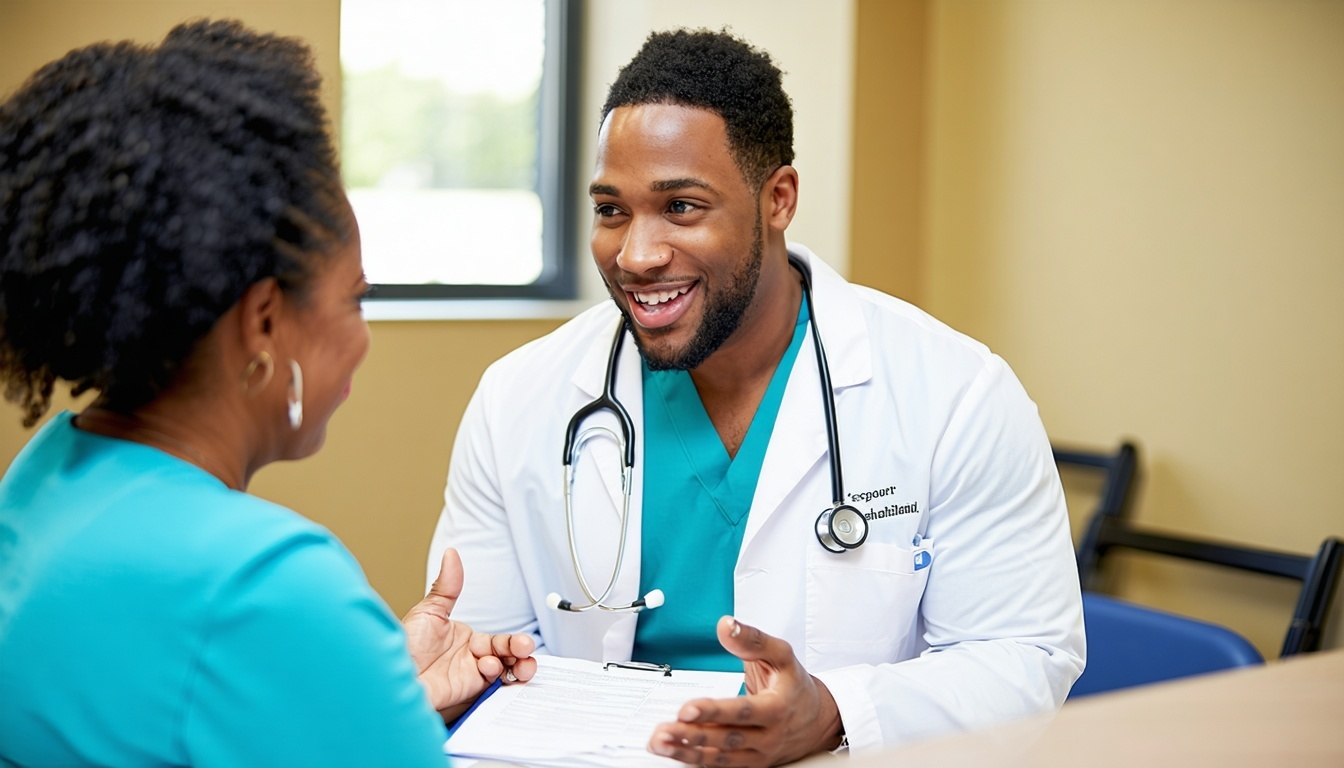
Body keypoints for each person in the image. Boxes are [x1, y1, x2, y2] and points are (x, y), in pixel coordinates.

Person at [428, 28, 1085, 765]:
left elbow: (1024, 657)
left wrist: (835, 713)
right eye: (612, 211)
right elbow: (483, 656)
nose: (636, 255)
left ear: (778, 199)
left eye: (681, 207)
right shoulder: (520, 397)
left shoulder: (956, 394)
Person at [0, 20, 534, 767]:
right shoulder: (270, 583)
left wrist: (373, 697)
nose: (362, 338)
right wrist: (338, 666)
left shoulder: (40, 479)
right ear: (262, 321)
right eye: (354, 299)